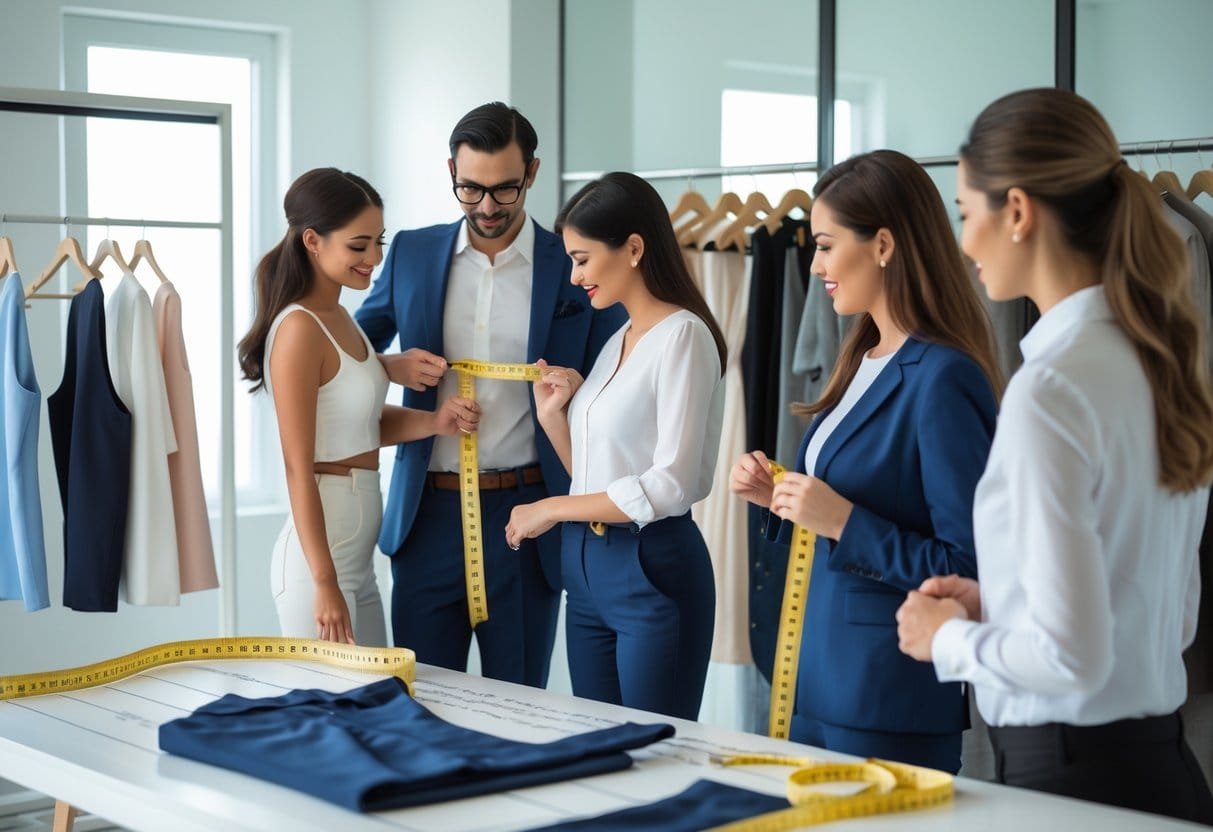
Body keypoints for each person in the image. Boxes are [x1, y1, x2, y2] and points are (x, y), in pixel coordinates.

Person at [896, 88, 1213, 822]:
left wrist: (950, 639)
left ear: (1015, 211)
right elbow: (1167, 612)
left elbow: (1073, 658)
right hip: (1159, 772)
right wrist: (1000, 603)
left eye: (963, 213)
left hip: (1071, 782)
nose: (962, 242)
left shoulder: (1051, 388)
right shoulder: (1158, 362)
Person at [729, 150, 1001, 772]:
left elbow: (967, 564)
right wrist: (779, 498)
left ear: (883, 244)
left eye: (825, 246)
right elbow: (843, 510)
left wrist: (842, 521)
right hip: (812, 677)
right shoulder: (861, 356)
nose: (817, 265)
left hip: (887, 695)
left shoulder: (944, 378)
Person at [355, 103, 625, 686]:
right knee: (421, 700)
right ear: (451, 169)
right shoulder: (411, 252)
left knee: (521, 706)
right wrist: (389, 366)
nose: (486, 207)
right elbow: (341, 358)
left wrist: (581, 393)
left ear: (531, 172)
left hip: (528, 514)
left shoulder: (571, 262)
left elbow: (623, 376)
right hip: (425, 513)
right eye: (469, 188)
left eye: (504, 189)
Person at [504, 171, 726, 720]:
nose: (575, 277)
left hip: (650, 567)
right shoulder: (616, 341)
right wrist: (554, 418)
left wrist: (550, 508)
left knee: (658, 754)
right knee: (600, 744)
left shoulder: (683, 336)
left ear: (632, 248)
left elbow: (670, 485)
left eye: (582, 259)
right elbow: (600, 478)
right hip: (586, 574)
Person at [237, 168, 479, 646]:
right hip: (318, 569)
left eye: (379, 242)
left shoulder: (343, 318)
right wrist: (324, 584)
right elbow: (296, 467)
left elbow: (360, 425)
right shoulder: (300, 329)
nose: (374, 258)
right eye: (359, 245)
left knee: (377, 704)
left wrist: (434, 421)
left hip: (359, 563)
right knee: (337, 714)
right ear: (313, 241)